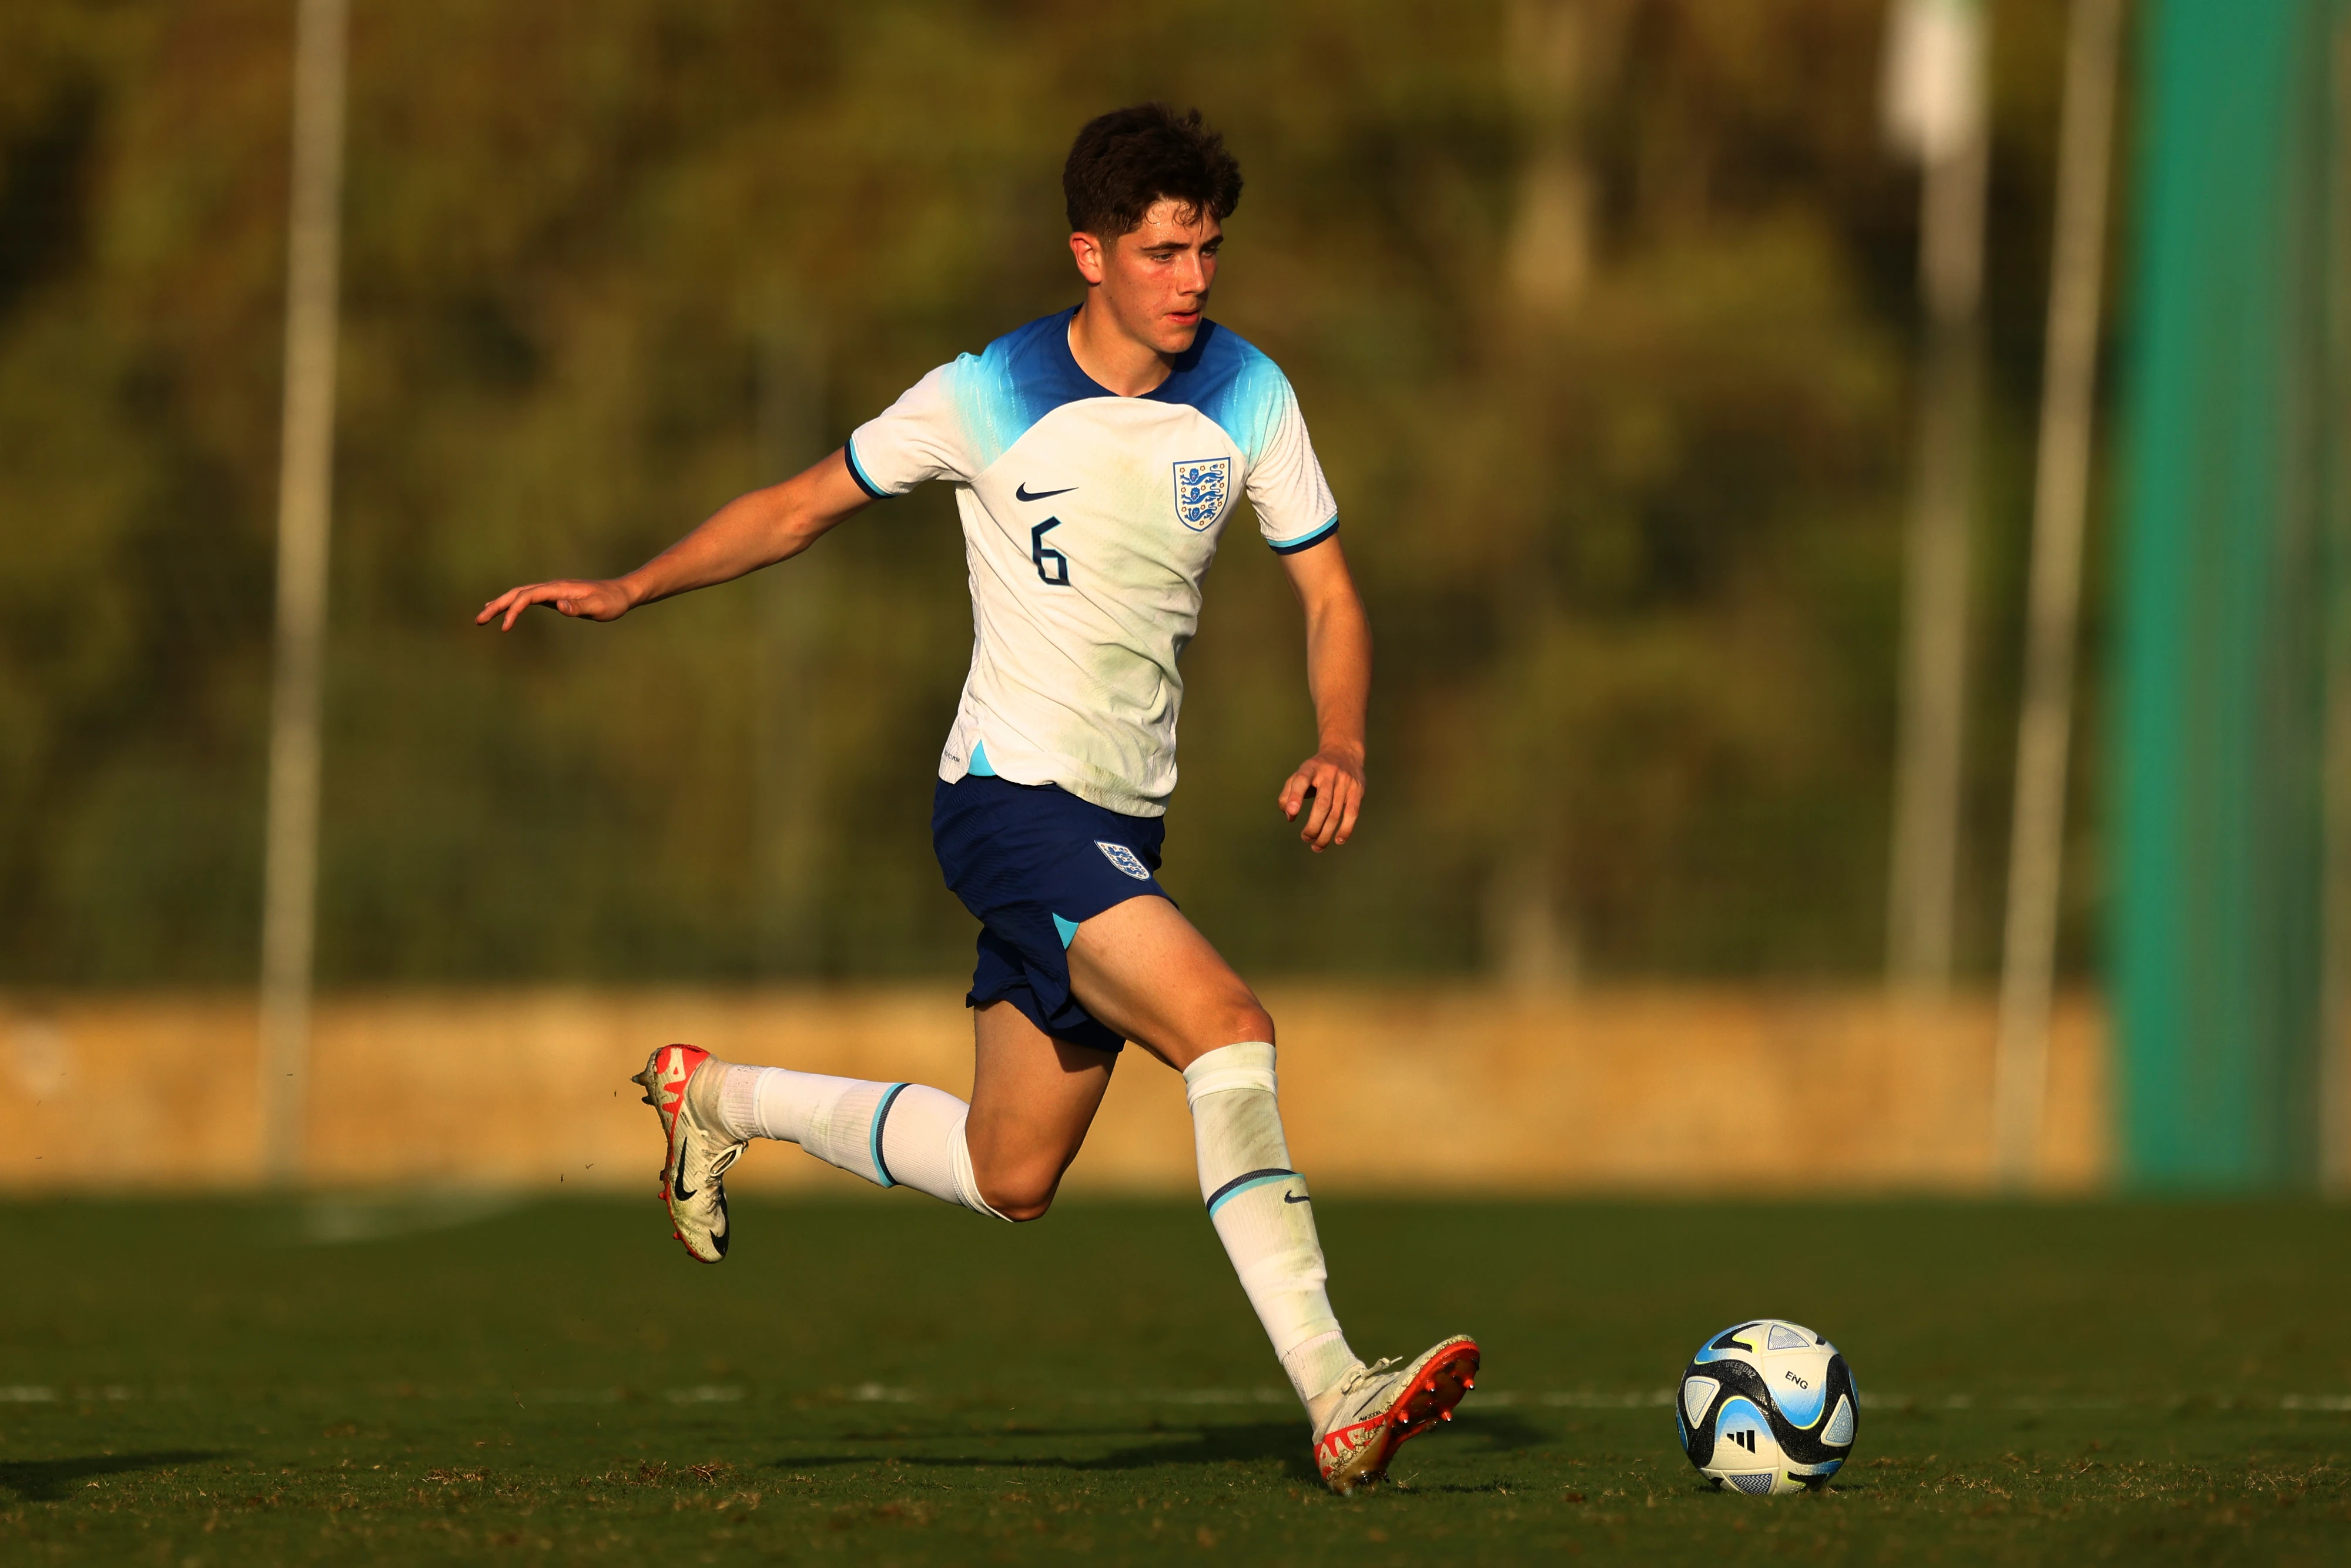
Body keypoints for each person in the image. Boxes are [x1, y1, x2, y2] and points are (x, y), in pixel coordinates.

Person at [478, 102, 1476, 1493]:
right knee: (1228, 1027)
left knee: (1010, 1168)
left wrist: (1344, 739)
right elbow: (798, 504)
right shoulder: (984, 391)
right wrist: (633, 585)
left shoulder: (1251, 391)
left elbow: (1328, 591)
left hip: (1118, 824)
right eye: (1163, 250)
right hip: (1010, 803)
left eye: (1208, 250)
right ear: (1090, 252)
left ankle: (716, 1099)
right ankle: (1334, 1386)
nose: (1193, 278)